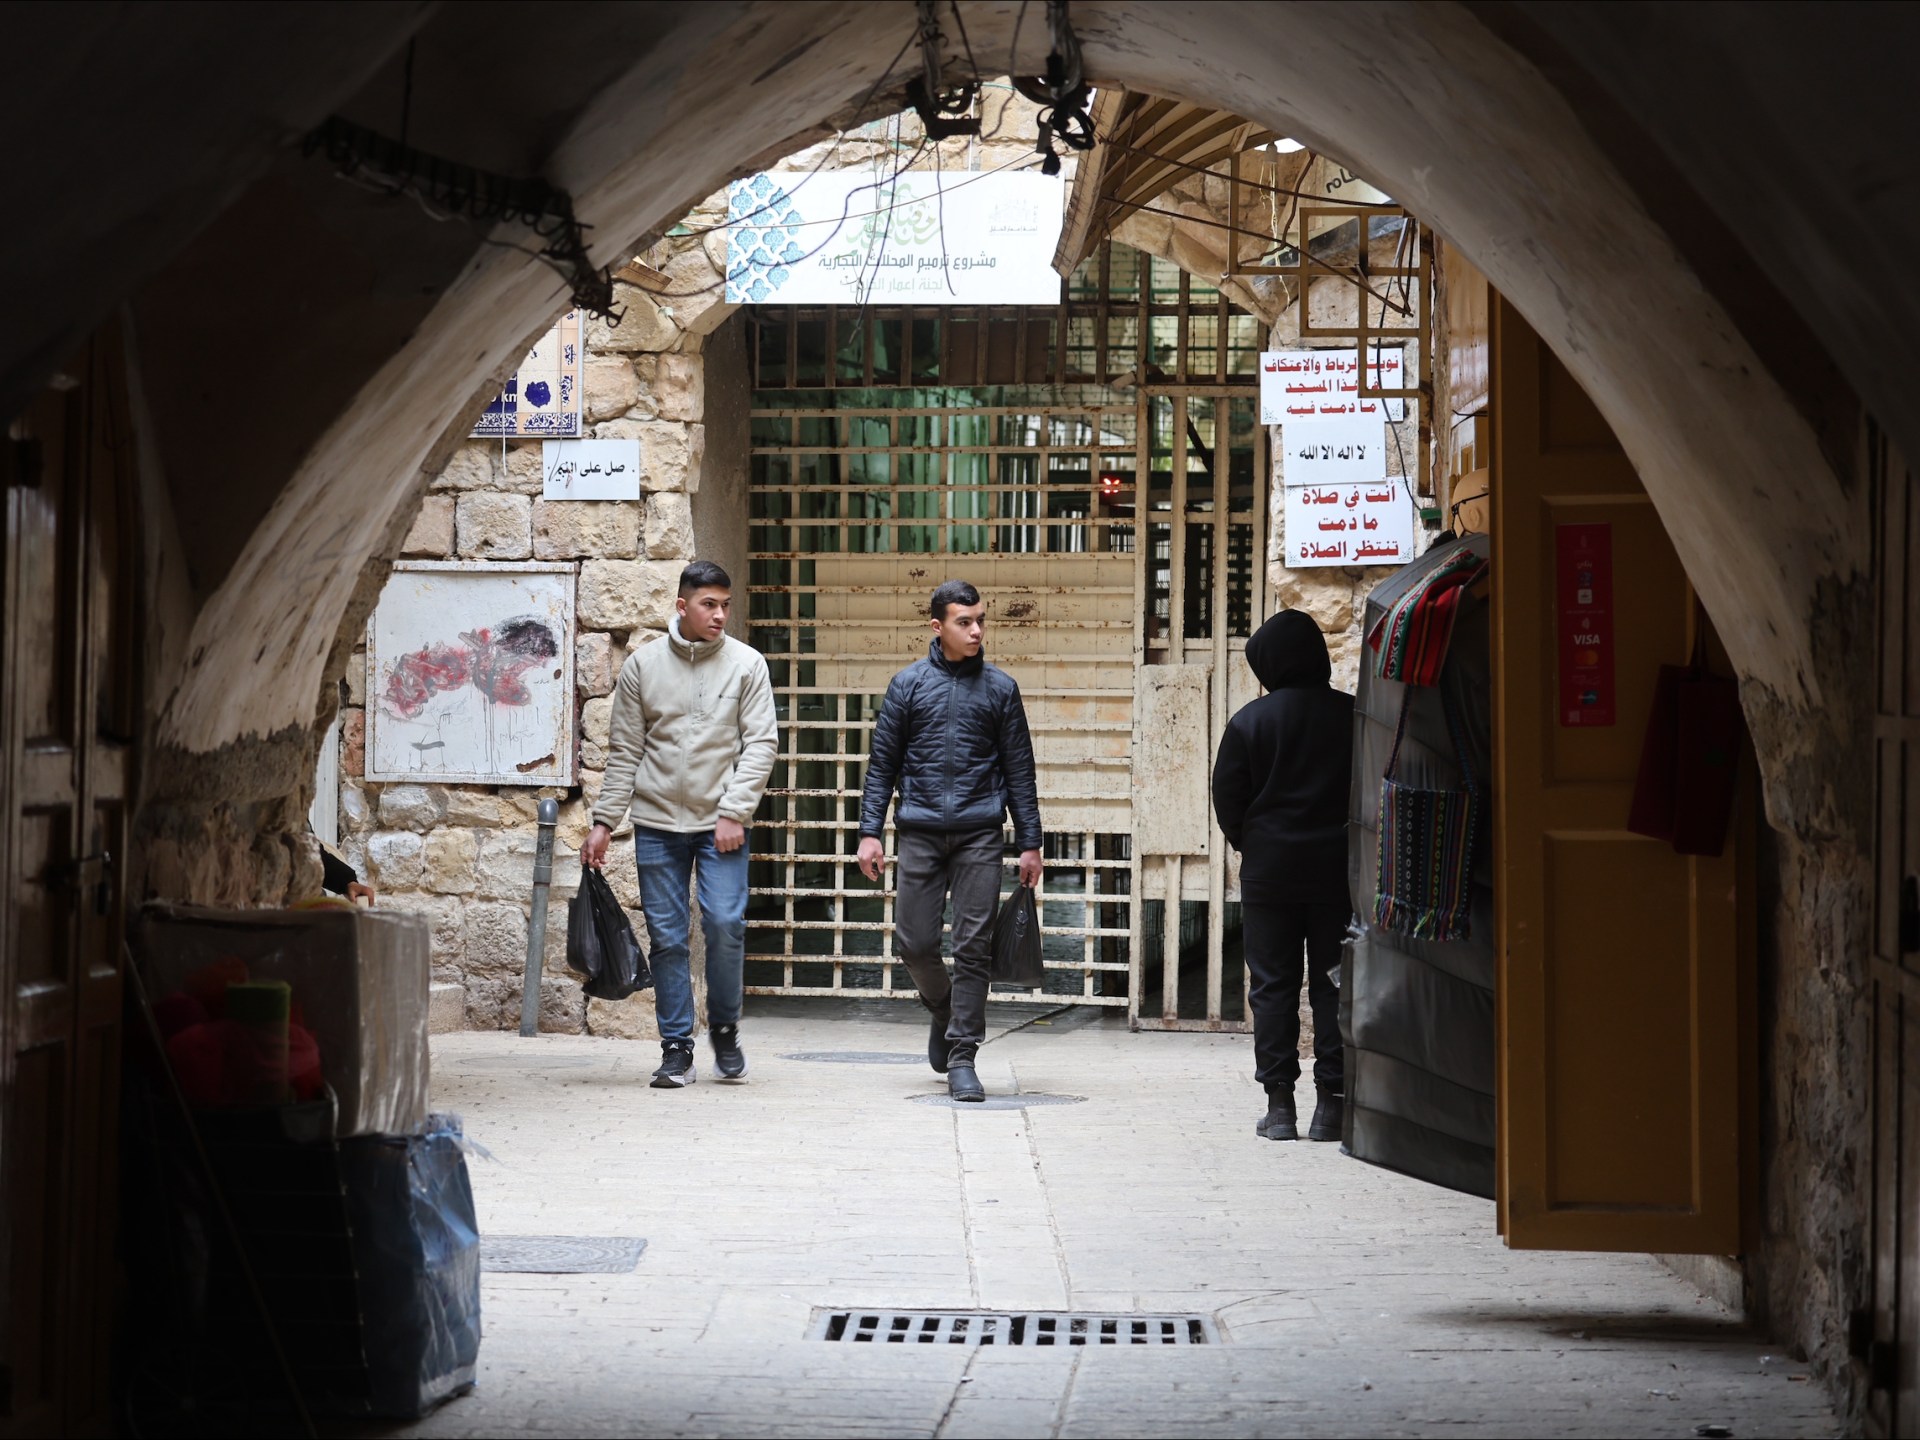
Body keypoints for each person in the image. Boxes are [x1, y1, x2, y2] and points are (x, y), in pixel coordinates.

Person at [581, 561, 777, 1089]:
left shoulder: (747, 664)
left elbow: (761, 744)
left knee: (725, 925)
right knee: (667, 939)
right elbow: (625, 750)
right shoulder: (643, 666)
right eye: (709, 604)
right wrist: (604, 821)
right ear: (682, 605)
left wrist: (734, 811)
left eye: (725, 605)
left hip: (722, 826)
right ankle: (676, 1048)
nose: (720, 615)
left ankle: (726, 1028)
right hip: (657, 824)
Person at [857, 579, 1042, 1102]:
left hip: (979, 833)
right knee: (914, 945)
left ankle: (963, 1054)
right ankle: (943, 1010)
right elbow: (882, 766)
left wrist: (1030, 842)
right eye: (965, 622)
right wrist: (870, 832)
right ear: (938, 627)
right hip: (918, 831)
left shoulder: (1001, 689)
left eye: (980, 619)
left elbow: (1020, 771)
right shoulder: (907, 685)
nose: (977, 630)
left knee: (972, 946)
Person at [1212, 609, 1355, 1142]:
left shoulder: (1249, 722)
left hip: (1270, 875)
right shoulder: (1354, 716)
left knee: (1272, 987)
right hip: (1336, 874)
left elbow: (1228, 799)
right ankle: (1331, 1108)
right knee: (1335, 984)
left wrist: (1253, 844)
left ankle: (1279, 1109)